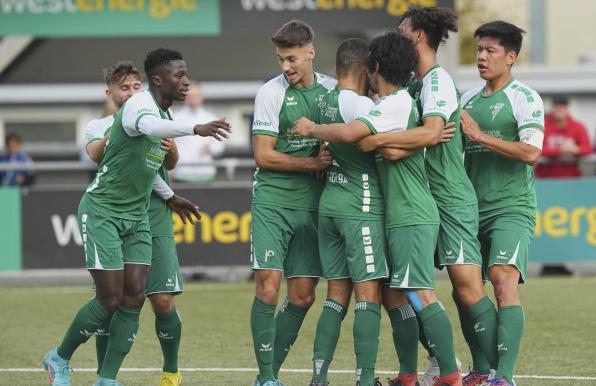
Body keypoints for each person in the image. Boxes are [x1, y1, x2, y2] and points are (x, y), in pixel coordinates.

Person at [43, 48, 230, 386]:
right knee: (109, 299)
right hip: (103, 210)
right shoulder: (139, 107)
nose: (186, 81)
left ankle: (108, 380)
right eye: (179, 75)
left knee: (134, 297)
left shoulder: (161, 114)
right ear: (158, 81)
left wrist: (170, 195)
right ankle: (58, 357)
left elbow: (148, 168)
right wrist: (196, 127)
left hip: (139, 216)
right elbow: (141, 125)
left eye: (186, 74)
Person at [294, 31, 460, 386]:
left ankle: (449, 374)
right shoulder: (390, 105)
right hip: (395, 214)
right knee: (395, 294)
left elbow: (359, 134)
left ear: (376, 67)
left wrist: (313, 128)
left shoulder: (394, 104)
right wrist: (399, 140)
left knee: (419, 291)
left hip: (412, 213)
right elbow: (391, 150)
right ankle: (408, 375)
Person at [84, 61, 198, 386]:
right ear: (110, 94)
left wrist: (172, 148)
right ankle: (104, 377)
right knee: (110, 302)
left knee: (162, 299)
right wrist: (120, 130)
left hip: (154, 212)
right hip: (114, 212)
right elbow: (95, 154)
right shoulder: (100, 125)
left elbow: (171, 162)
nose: (132, 92)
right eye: (124, 88)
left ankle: (171, 371)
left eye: (136, 86)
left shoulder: (157, 117)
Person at [297, 38, 388, 386]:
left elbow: (325, 146)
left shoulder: (324, 101)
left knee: (335, 296)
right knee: (368, 295)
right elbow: (376, 141)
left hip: (330, 204)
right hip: (359, 205)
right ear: (367, 70)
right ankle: (365, 380)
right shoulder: (360, 104)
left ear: (336, 69)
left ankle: (318, 378)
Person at [249, 20, 335, 386]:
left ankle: (267, 374)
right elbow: (263, 156)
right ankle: (267, 378)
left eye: (292, 58)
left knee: (302, 296)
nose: (286, 66)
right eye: (281, 59)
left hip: (314, 205)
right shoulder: (270, 93)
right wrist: (312, 162)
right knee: (268, 286)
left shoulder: (333, 90)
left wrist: (326, 146)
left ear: (311, 52)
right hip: (273, 200)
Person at [460, 21, 545, 386]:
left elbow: (531, 152)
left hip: (512, 206)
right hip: (468, 209)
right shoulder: (466, 100)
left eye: (490, 50)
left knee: (501, 277)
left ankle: (504, 377)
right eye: (479, 49)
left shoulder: (525, 98)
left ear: (510, 57)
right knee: (464, 289)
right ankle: (481, 370)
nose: (481, 56)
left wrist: (479, 136)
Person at [173, 82, 225, 183]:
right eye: (190, 96)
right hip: (182, 174)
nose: (193, 99)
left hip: (205, 173)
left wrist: (210, 148)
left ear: (201, 97)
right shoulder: (175, 118)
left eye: (196, 95)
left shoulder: (211, 118)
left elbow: (219, 146)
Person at [535, 95, 592, 178]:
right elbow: (535, 149)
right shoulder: (541, 125)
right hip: (546, 178)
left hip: (570, 178)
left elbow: (588, 149)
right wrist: (560, 150)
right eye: (557, 106)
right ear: (552, 107)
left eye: (562, 106)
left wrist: (576, 150)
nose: (560, 109)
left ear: (567, 108)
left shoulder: (578, 126)